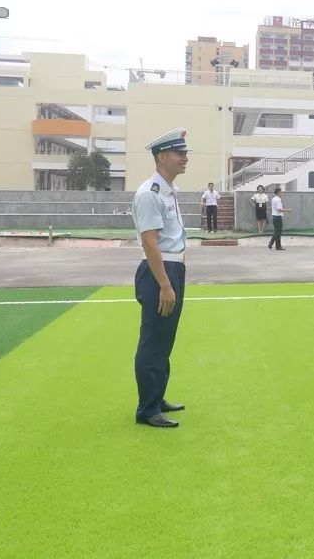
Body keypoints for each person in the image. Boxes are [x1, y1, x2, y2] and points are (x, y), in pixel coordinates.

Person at [131, 128, 191, 428]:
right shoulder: (149, 194)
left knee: (165, 340)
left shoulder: (168, 190)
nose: (185, 158)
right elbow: (150, 243)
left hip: (172, 269)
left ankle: (157, 397)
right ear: (162, 156)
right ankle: (147, 409)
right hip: (159, 274)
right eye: (180, 154)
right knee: (153, 342)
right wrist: (165, 284)